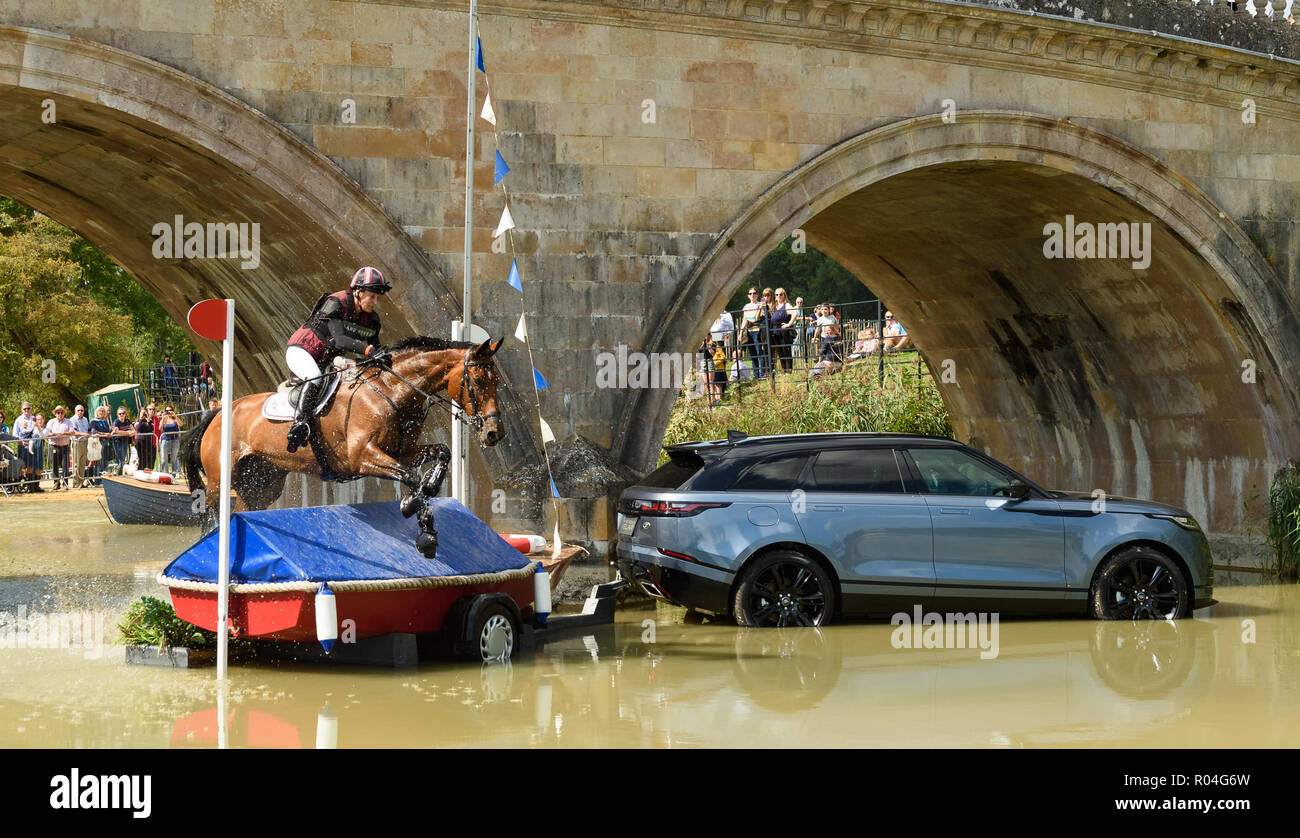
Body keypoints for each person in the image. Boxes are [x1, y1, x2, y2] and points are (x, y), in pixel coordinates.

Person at [284, 266, 388, 452]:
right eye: (372, 296)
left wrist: (383, 357)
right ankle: (299, 424)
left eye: (377, 298)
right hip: (302, 352)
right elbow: (340, 340)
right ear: (358, 292)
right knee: (314, 375)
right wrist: (368, 350)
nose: (375, 302)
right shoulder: (337, 302)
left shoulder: (371, 319)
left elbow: (376, 350)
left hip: (326, 361)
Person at [46, 406, 73, 490]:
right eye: (58, 412)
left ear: (64, 413)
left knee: (65, 465)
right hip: (54, 445)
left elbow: (72, 431)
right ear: (55, 414)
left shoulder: (68, 421)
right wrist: (55, 434)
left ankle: (65, 483)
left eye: (61, 412)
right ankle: (56, 483)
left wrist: (63, 433)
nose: (60, 414)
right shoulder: (51, 422)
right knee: (55, 465)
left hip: (64, 446)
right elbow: (47, 432)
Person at [14, 403, 38, 492]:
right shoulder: (18, 420)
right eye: (25, 409)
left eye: (28, 408)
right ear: (22, 410)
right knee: (21, 466)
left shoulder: (34, 418)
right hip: (22, 446)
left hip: (33, 445)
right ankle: (19, 486)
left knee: (31, 466)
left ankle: (31, 486)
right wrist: (21, 441)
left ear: (30, 409)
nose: (26, 410)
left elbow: (37, 431)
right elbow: (15, 434)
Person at [770, 287, 795, 374]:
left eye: (781, 294)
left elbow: (795, 313)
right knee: (780, 351)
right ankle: (784, 370)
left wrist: (789, 324)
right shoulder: (775, 306)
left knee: (786, 350)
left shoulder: (787, 305)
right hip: (775, 331)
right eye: (777, 294)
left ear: (784, 295)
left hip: (784, 331)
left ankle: (789, 370)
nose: (779, 296)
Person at [87, 405, 111, 485]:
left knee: (104, 462)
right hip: (97, 443)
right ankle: (97, 480)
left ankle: (103, 479)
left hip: (105, 443)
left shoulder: (104, 421)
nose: (101, 412)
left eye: (103, 411)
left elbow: (108, 430)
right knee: (98, 462)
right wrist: (105, 434)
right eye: (99, 411)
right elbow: (94, 431)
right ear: (96, 412)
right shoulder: (93, 421)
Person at [68, 404, 90, 487]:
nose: (80, 412)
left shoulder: (85, 419)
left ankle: (81, 482)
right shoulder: (72, 420)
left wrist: (89, 434)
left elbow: (88, 430)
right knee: (75, 463)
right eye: (78, 410)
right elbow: (74, 432)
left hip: (84, 442)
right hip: (76, 443)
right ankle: (75, 483)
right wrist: (85, 434)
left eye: (82, 410)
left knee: (83, 463)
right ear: (75, 411)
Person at [158, 407, 183, 474]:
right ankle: (158, 472)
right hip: (165, 440)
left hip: (175, 440)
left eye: (170, 410)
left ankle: (173, 474)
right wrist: (163, 419)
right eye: (167, 411)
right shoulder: (164, 419)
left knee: (173, 459)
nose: (168, 412)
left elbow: (181, 424)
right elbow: (160, 428)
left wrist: (175, 416)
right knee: (163, 459)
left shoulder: (175, 419)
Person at [111, 406, 136, 474]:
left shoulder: (127, 421)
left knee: (123, 458)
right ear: (117, 414)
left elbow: (133, 430)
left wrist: (132, 432)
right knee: (121, 459)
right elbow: (116, 431)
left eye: (123, 413)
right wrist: (128, 433)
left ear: (125, 414)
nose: (122, 415)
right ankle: (118, 473)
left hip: (125, 441)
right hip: (117, 441)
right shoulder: (116, 422)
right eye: (120, 413)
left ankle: (119, 473)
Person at [135, 406, 157, 470]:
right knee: (142, 458)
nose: (144, 414)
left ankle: (149, 470)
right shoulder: (138, 422)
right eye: (142, 413)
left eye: (145, 413)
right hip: (140, 441)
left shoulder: (149, 421)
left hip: (148, 442)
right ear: (139, 414)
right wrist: (141, 419)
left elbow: (151, 429)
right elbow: (138, 429)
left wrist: (149, 421)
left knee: (149, 458)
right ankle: (140, 471)